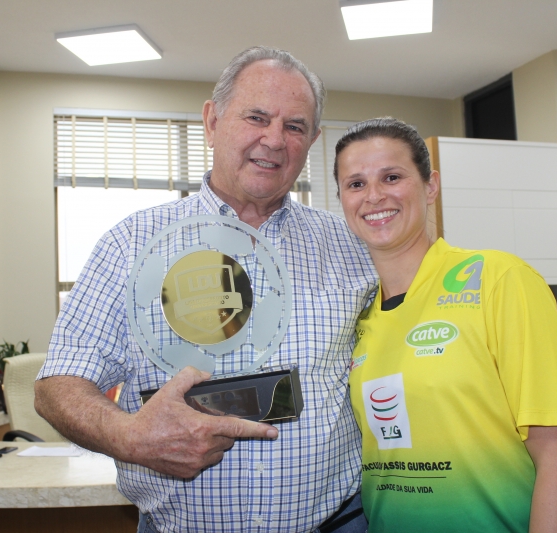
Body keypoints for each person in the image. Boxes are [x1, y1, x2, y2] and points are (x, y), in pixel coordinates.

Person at [35, 47, 378, 533]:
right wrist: (130, 436)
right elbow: (57, 386)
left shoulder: (353, 245)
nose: (274, 139)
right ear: (212, 121)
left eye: (295, 127)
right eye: (256, 117)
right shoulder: (130, 244)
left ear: (312, 141)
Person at [334, 117, 557, 532]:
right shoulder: (359, 318)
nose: (374, 196)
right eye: (356, 184)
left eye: (392, 177)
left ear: (430, 186)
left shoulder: (498, 279)